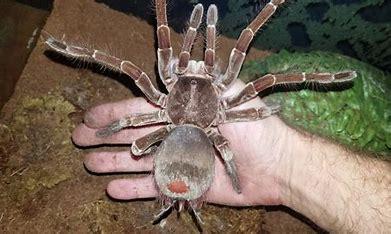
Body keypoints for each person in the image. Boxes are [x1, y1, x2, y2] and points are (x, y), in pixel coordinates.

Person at [72, 81, 390, 232]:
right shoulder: (221, 132)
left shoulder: (166, 110)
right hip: (194, 147)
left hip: (177, 141)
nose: (195, 71)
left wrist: (283, 160)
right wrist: (248, 173)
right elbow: (270, 81)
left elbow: (131, 77)